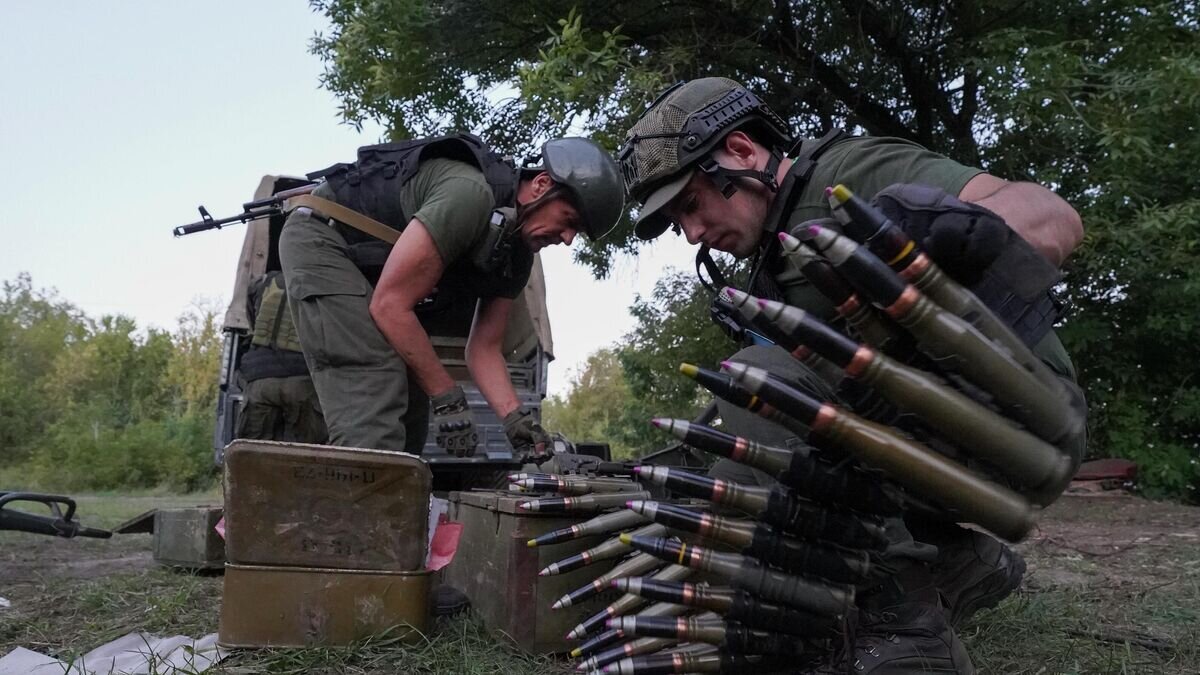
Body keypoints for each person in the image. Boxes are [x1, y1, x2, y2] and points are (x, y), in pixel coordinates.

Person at [619, 77, 1087, 673]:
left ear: (740, 153)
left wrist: (951, 230)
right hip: (923, 436)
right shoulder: (766, 260)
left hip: (1024, 419)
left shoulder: (853, 172)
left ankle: (910, 629)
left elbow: (1053, 218)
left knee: (757, 380)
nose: (690, 232)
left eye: (690, 204)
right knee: (732, 451)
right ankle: (955, 562)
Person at [279, 134, 623, 460]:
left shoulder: (517, 257)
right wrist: (448, 397)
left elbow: (484, 348)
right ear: (541, 185)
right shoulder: (469, 194)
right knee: (376, 390)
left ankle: (387, 513)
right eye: (569, 220)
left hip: (372, 274)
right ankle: (353, 519)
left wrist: (515, 420)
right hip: (323, 239)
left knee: (412, 412)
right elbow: (390, 306)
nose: (567, 239)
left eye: (576, 232)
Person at [235, 270, 327, 444]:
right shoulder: (321, 281)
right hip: (301, 376)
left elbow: (250, 318)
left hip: (259, 377)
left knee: (253, 455)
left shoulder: (263, 282)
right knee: (305, 457)